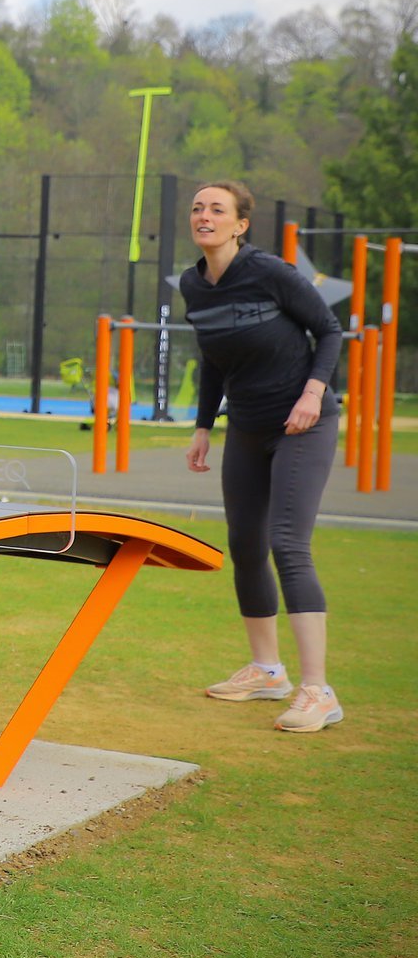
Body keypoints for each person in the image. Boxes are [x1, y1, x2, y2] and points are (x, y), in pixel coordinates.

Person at [180, 180, 344, 734]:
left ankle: (318, 692)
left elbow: (329, 330)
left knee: (288, 545)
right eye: (197, 208)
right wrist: (203, 426)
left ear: (241, 224)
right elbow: (213, 359)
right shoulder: (194, 284)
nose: (204, 216)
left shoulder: (270, 271)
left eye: (216, 209)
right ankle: (268, 671)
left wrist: (313, 394)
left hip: (303, 423)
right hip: (247, 427)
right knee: (245, 546)